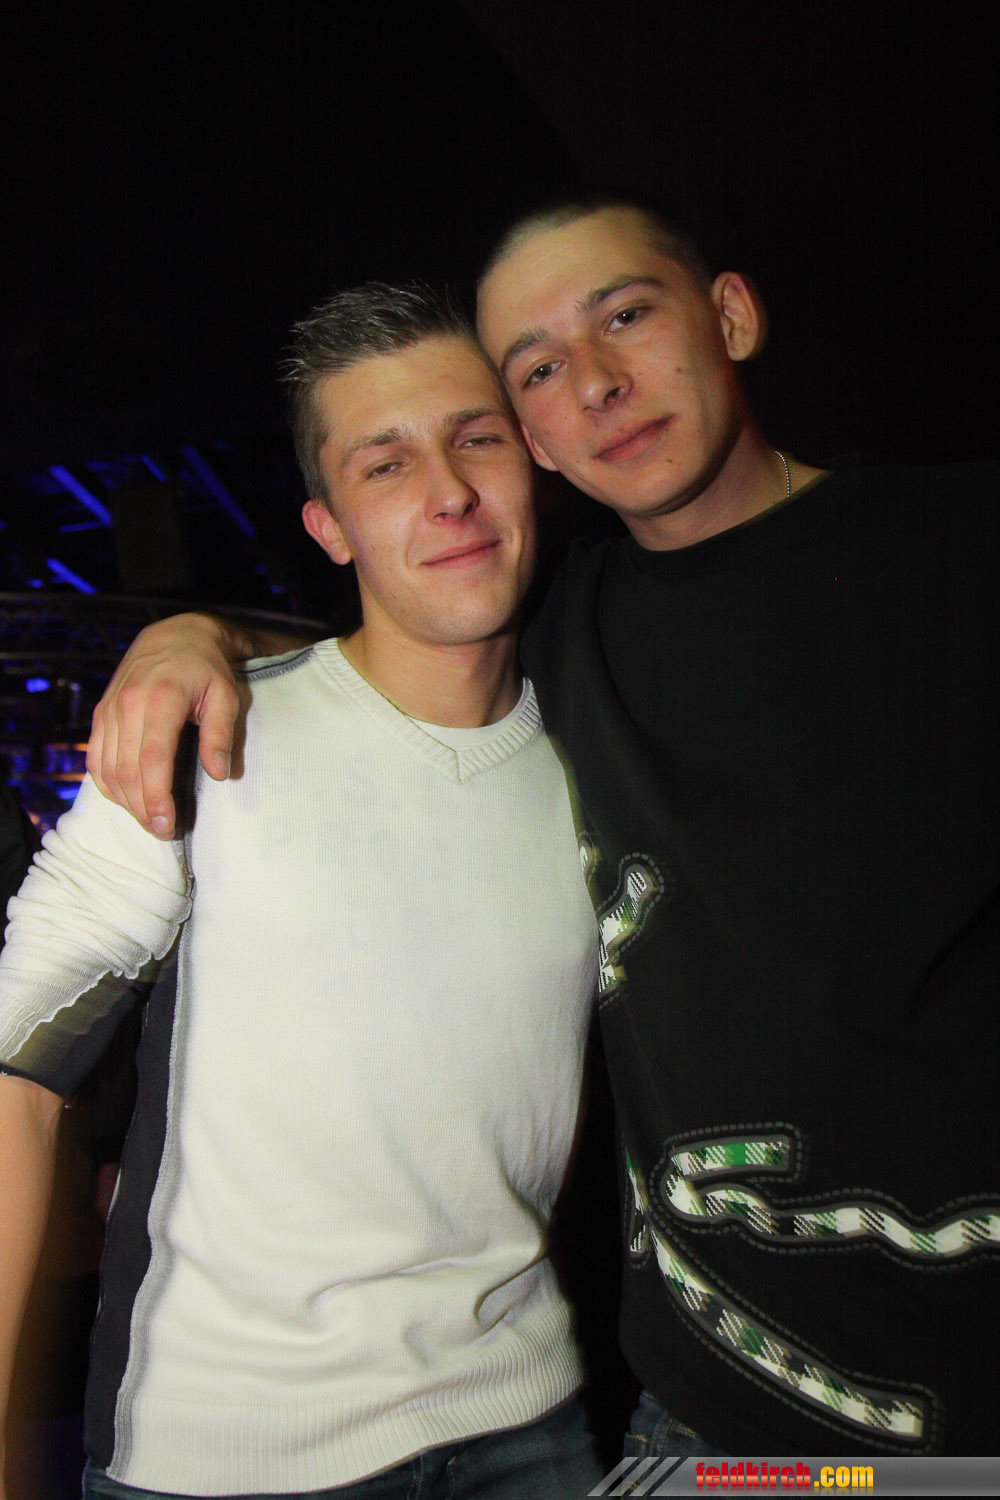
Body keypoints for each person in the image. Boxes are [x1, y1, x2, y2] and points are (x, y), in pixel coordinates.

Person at [84, 199, 1000, 1458]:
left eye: (625, 315)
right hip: (706, 1419)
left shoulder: (960, 546)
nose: (598, 382)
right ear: (540, 443)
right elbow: (399, 643)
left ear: (731, 316)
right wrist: (190, 636)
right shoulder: (560, 630)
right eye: (539, 371)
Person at [0, 284, 605, 1499]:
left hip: (531, 1415)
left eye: (476, 438)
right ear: (329, 527)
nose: (448, 492)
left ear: (533, 464)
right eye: (386, 464)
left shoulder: (604, 751)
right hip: (230, 1455)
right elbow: (17, 1082)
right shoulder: (202, 739)